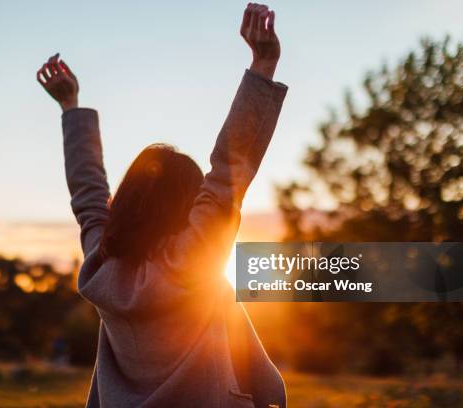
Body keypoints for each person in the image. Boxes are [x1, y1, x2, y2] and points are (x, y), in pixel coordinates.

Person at [37, 3, 288, 407]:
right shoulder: (192, 260)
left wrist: (71, 108)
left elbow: (88, 197)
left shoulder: (101, 268)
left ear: (124, 205)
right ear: (187, 208)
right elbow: (228, 173)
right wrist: (263, 64)